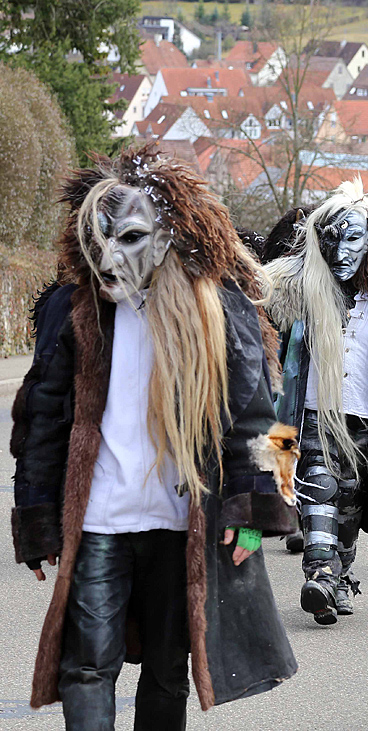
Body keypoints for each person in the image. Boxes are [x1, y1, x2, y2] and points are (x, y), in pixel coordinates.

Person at [9, 145, 299, 727]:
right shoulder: (74, 311)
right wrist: (38, 513)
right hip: (99, 520)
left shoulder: (219, 310)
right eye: (99, 238)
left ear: (169, 235)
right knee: (87, 666)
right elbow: (40, 416)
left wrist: (254, 509)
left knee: (168, 675)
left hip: (179, 526)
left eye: (131, 237)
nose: (109, 256)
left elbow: (268, 421)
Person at [264, 179, 368, 624]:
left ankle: (341, 575)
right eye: (332, 238)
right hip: (310, 414)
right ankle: (319, 572)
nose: (342, 250)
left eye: (353, 237)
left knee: (352, 501)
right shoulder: (296, 294)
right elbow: (270, 351)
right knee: (318, 482)